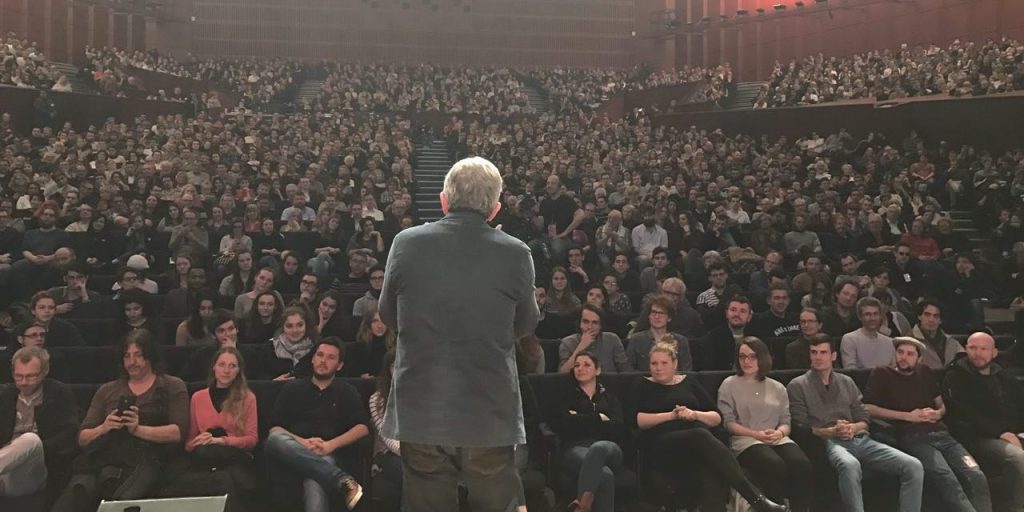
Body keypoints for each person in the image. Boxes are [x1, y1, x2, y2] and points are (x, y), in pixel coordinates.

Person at [379, 157, 540, 512]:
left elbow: (388, 315)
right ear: (496, 208)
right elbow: (527, 324)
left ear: (444, 200)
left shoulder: (406, 243)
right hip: (489, 410)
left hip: (421, 408)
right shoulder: (516, 253)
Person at [633, 340, 787, 512]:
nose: (658, 368)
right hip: (662, 445)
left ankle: (752, 502)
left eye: (664, 363)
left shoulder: (688, 381)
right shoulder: (643, 385)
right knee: (700, 435)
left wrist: (694, 414)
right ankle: (756, 499)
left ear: (675, 364)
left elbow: (716, 417)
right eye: (654, 363)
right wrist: (671, 415)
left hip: (696, 445)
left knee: (713, 468)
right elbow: (638, 420)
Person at [52, 330, 189, 512]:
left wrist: (137, 429)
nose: (132, 362)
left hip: (150, 457)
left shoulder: (172, 385)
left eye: (138, 355)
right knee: (78, 491)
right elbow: (83, 438)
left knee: (120, 494)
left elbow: (178, 432)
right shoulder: (107, 390)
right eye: (127, 356)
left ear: (151, 357)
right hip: (106, 454)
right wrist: (104, 427)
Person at [787, 335, 924, 512]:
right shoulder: (797, 385)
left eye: (823, 352)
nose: (818, 357)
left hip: (859, 438)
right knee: (850, 465)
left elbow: (864, 418)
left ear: (833, 356)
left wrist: (853, 427)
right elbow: (801, 427)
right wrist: (832, 431)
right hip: (830, 442)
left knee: (913, 465)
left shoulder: (847, 382)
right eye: (814, 352)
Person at [864, 337, 991, 512]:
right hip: (913, 438)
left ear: (919, 358)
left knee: (975, 473)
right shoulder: (882, 373)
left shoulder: (925, 372)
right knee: (946, 476)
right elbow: (868, 408)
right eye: (900, 352)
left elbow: (942, 405)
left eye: (910, 354)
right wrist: (907, 416)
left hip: (943, 435)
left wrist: (938, 413)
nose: (903, 357)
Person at [264, 339, 368, 511]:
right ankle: (342, 480)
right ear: (312, 359)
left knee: (316, 475)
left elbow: (362, 428)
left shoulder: (348, 391)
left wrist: (329, 446)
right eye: (319, 355)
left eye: (330, 357)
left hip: (330, 453)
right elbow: (275, 428)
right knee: (274, 438)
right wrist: (303, 444)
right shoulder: (292, 388)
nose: (323, 361)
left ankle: (337, 477)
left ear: (340, 365)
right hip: (293, 452)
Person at [718, 338, 812, 512]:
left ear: (762, 358)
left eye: (752, 357)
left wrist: (780, 433)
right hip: (745, 440)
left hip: (776, 438)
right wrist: (756, 434)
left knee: (801, 464)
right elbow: (728, 423)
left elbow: (785, 422)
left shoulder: (777, 387)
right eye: (742, 357)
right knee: (774, 465)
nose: (747, 361)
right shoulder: (729, 384)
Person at [943, 332, 1024, 512]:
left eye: (983, 349)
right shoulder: (955, 375)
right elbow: (963, 413)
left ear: (994, 352)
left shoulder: (1003, 375)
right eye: (973, 348)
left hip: (1009, 432)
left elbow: (1019, 405)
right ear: (965, 349)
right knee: (1017, 456)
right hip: (976, 437)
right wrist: (1000, 433)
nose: (977, 353)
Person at [177, 347, 259, 501]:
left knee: (227, 476)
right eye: (222, 365)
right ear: (214, 367)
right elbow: (188, 443)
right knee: (219, 470)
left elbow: (252, 440)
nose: (226, 370)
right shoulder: (197, 397)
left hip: (234, 454)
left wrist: (222, 440)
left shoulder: (248, 398)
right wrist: (199, 440)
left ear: (238, 371)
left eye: (232, 366)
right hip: (205, 455)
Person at [0, 346, 79, 497]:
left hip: (37, 467)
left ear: (44, 372)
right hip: (5, 469)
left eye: (30, 376)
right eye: (18, 376)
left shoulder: (58, 393)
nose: (23, 382)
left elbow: (69, 434)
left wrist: (38, 447)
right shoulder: (6, 395)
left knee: (30, 439)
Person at [558, 352, 624, 512]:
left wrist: (579, 418)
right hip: (576, 448)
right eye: (577, 365)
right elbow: (563, 424)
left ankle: (582, 504)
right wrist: (599, 418)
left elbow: (619, 426)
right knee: (605, 475)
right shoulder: (566, 397)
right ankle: (585, 503)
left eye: (586, 364)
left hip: (610, 448)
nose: (580, 368)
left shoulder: (609, 397)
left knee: (598, 448)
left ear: (598, 370)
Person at [369, 350, 402, 510]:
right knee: (410, 472)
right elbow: (386, 435)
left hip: (419, 451)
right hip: (389, 452)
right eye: (395, 366)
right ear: (388, 369)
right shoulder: (377, 399)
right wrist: (410, 453)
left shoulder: (421, 397)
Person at [626, 295, 693, 371]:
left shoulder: (681, 341)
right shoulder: (636, 339)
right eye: (654, 312)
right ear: (649, 316)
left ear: (669, 318)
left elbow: (687, 371)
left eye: (661, 313)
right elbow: (629, 371)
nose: (657, 317)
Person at [559, 305, 631, 374]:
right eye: (586, 322)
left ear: (600, 326)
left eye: (595, 323)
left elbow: (626, 371)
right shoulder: (567, 343)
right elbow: (562, 374)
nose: (590, 327)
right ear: (579, 324)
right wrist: (581, 347)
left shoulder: (612, 339)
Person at [260, 306, 317, 381]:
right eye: (289, 326)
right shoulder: (268, 348)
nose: (295, 330)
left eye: (300, 325)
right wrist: (273, 382)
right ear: (283, 328)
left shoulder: (316, 349)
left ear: (306, 326)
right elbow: (260, 379)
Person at [840, 297, 895, 369]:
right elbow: (850, 371)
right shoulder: (849, 339)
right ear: (860, 316)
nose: (872, 318)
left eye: (876, 314)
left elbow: (894, 370)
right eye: (868, 314)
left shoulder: (890, 342)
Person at [910, 299, 964, 369]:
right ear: (919, 316)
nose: (931, 320)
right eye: (927, 315)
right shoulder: (909, 340)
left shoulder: (951, 342)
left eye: (936, 316)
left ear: (940, 320)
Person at [707, 296, 754, 371]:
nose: (737, 314)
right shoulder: (713, 337)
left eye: (742, 311)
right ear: (726, 313)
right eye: (733, 310)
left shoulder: (758, 337)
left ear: (749, 317)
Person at [348, 309, 394, 377]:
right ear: (368, 324)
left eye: (383, 321)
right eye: (375, 321)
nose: (380, 326)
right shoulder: (358, 348)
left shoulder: (394, 348)